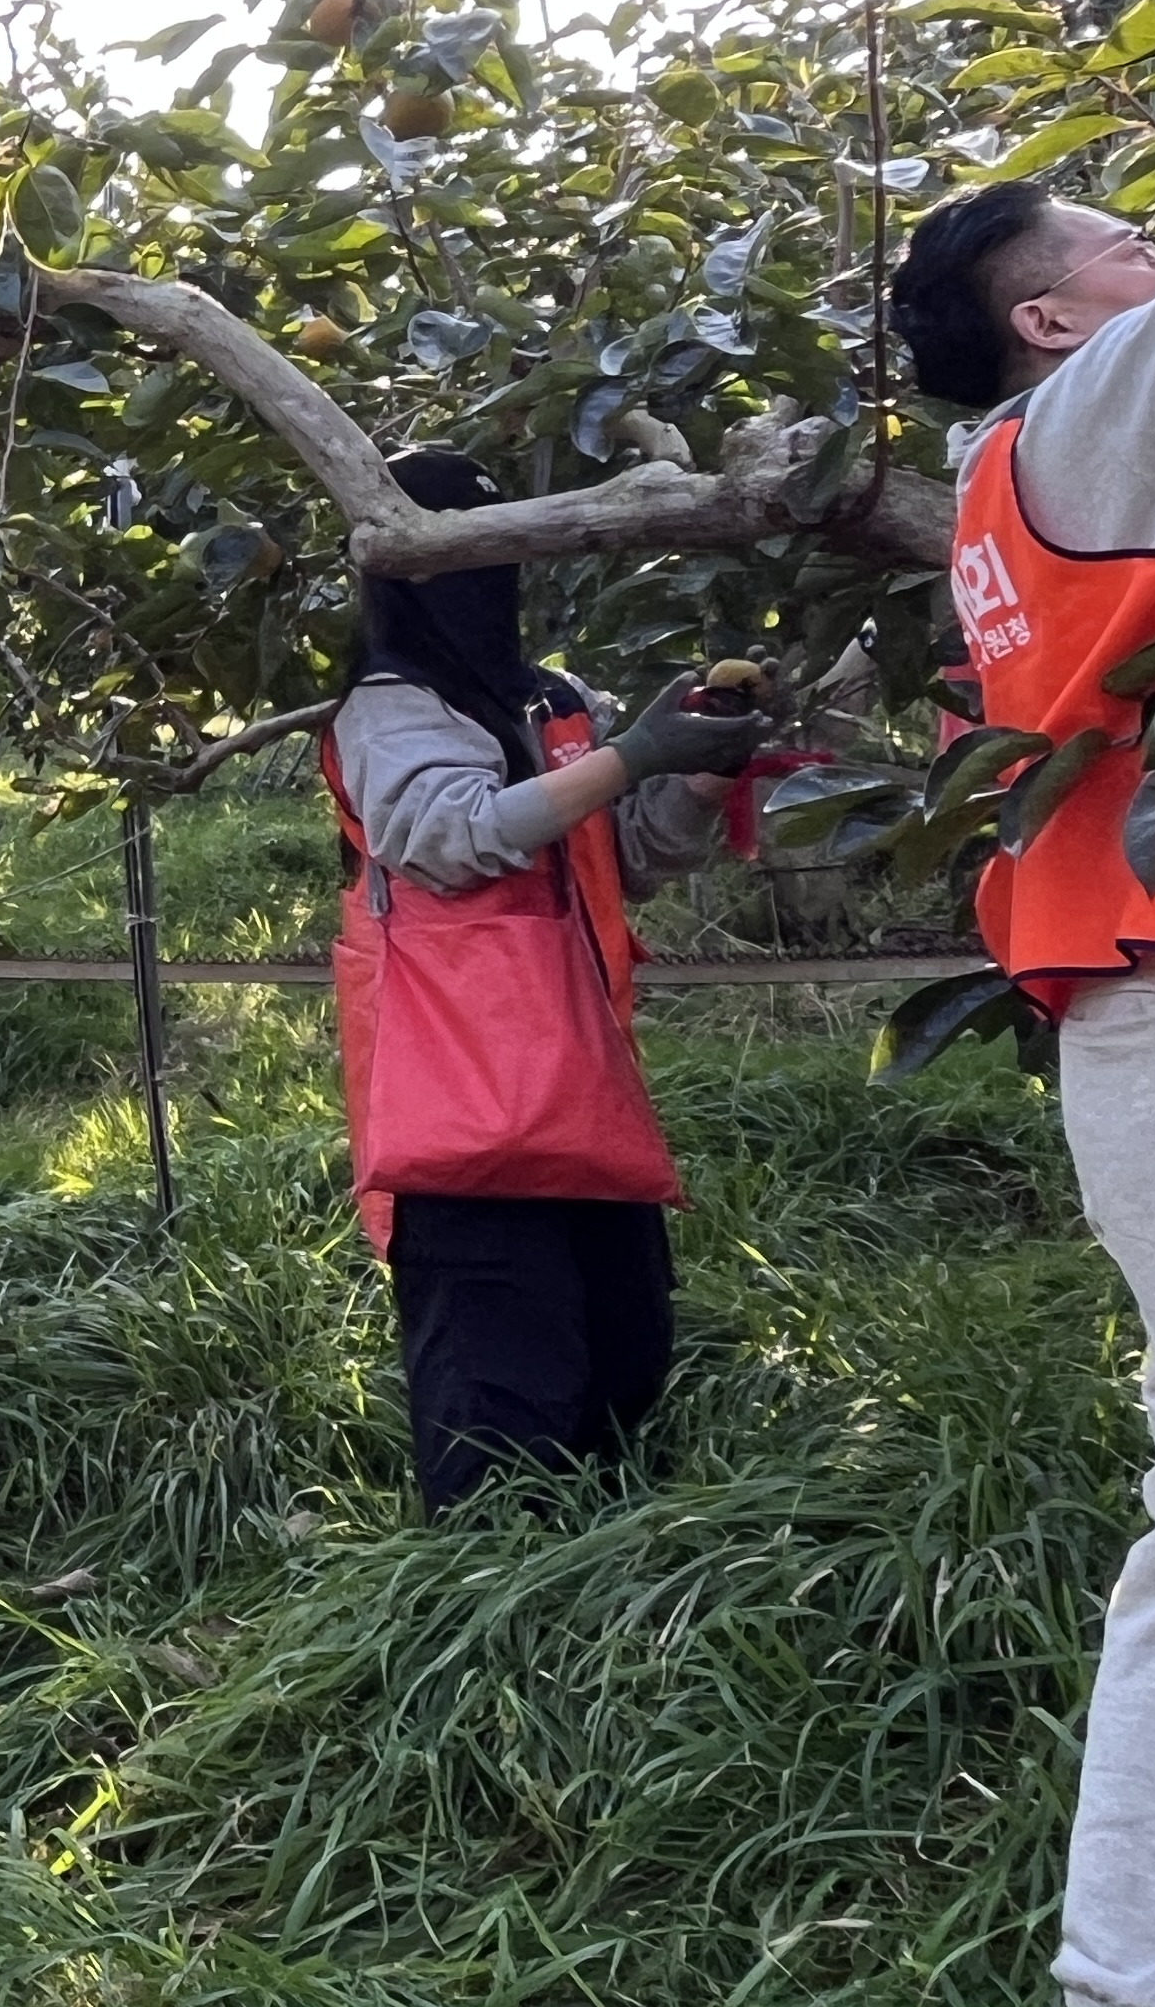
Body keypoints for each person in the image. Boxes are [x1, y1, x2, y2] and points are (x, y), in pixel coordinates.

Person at [891, 180, 1155, 2007]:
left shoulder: (1061, 468)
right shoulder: (1093, 411)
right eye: (1117, 234)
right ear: (1042, 315)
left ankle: (1147, 1959)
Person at [322, 445, 764, 1515]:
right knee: (495, 1374)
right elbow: (450, 835)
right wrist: (634, 754)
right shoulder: (391, 706)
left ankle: (592, 1591)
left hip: (576, 1080)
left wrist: (694, 772)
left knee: (622, 1350)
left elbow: (628, 854)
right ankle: (484, 1606)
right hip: (466, 1095)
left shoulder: (550, 702)